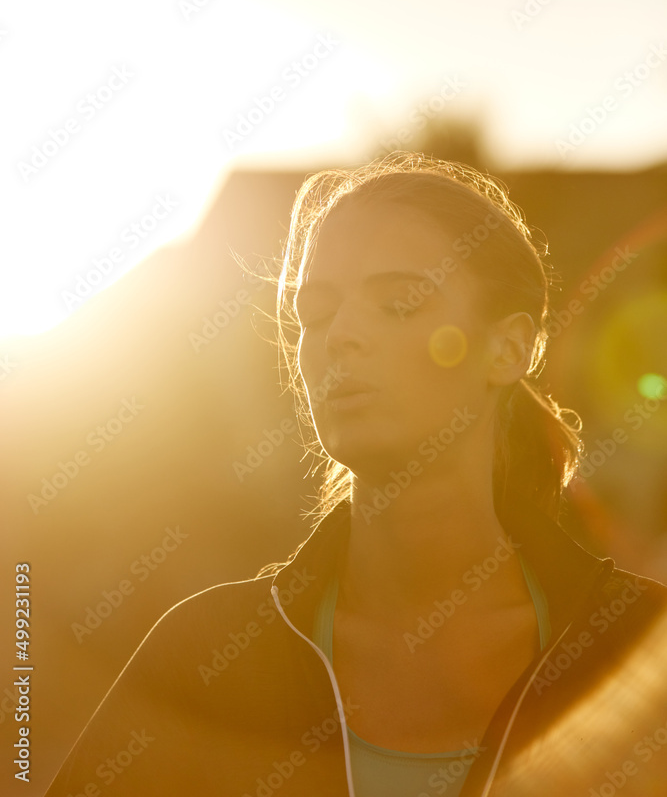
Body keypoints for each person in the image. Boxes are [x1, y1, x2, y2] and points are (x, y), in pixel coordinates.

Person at [44, 152, 667, 796]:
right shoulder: (204, 654)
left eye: (399, 303)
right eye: (315, 314)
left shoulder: (639, 652)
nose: (339, 335)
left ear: (507, 349)